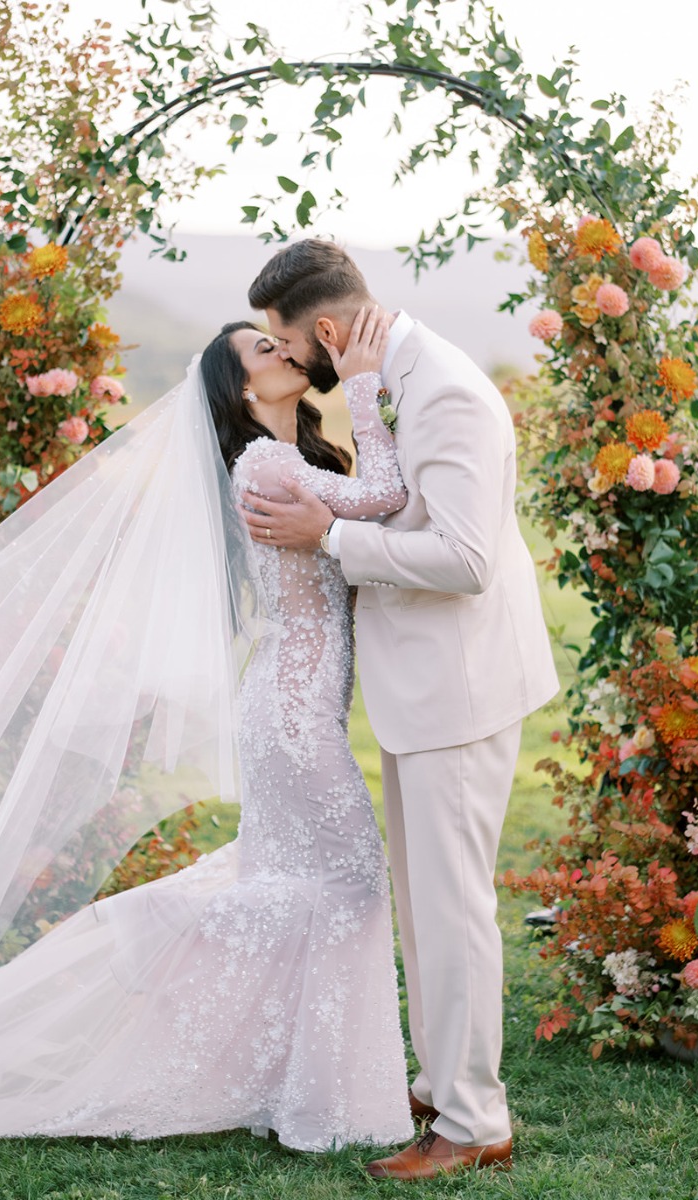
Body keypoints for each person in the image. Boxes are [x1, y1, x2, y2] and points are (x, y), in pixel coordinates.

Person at [0, 316, 415, 1197]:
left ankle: (311, 1086)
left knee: (315, 887)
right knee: (347, 886)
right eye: (260, 351)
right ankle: (194, 965)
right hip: (293, 716)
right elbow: (382, 499)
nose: (281, 353)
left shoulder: (288, 458)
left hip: (293, 704)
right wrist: (374, 387)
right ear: (238, 391)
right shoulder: (266, 465)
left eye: (275, 343)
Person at [243, 239, 559, 1181]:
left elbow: (466, 562)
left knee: (454, 911)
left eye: (291, 349)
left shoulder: (448, 391)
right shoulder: (393, 381)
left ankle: (473, 1124)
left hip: (458, 688)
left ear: (330, 332)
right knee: (424, 907)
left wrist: (329, 535)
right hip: (421, 688)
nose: (294, 365)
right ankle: (441, 1081)